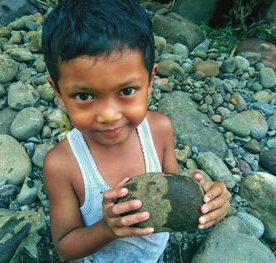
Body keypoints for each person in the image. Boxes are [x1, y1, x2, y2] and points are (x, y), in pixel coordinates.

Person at [42, 0, 231, 262]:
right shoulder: (62, 164)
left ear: (151, 80)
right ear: (58, 92)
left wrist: (207, 199)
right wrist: (107, 228)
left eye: (127, 91)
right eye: (84, 95)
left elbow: (173, 191)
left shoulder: (159, 130)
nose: (109, 115)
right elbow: (65, 245)